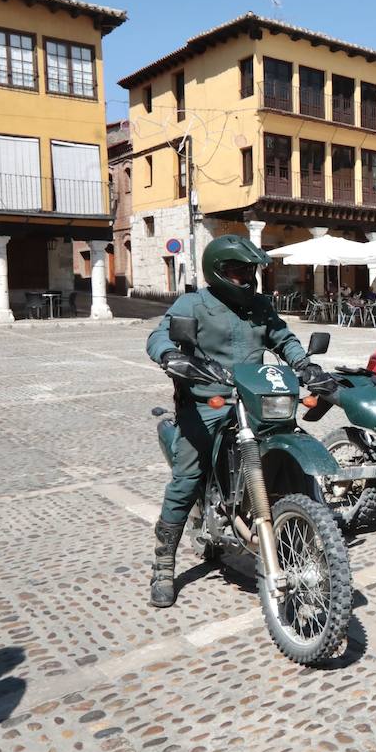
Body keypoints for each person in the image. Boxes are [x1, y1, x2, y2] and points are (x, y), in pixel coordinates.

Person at [146, 234, 336, 608]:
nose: (246, 278)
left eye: (250, 271)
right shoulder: (194, 303)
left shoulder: (259, 306)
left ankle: (306, 533)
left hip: (255, 398)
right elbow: (158, 336)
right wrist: (171, 355)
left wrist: (305, 364)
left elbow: (283, 338)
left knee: (293, 452)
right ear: (218, 271)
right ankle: (163, 565)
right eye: (238, 271)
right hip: (207, 402)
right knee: (187, 478)